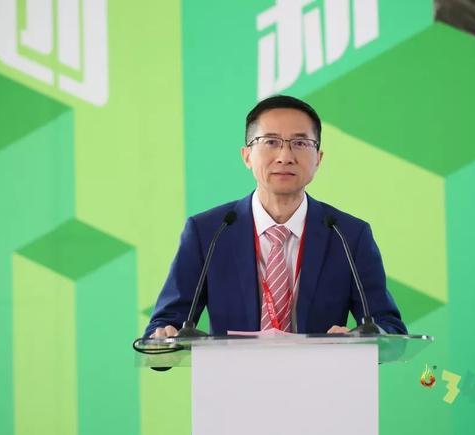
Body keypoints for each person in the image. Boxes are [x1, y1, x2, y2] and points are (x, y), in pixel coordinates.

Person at [145, 95, 406, 338]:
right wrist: (164, 337)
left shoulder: (349, 235)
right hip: (233, 373)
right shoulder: (208, 232)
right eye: (271, 142)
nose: (285, 157)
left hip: (320, 373)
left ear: (318, 158)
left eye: (300, 143)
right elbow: (163, 325)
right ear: (247, 156)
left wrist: (357, 339)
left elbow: (388, 328)